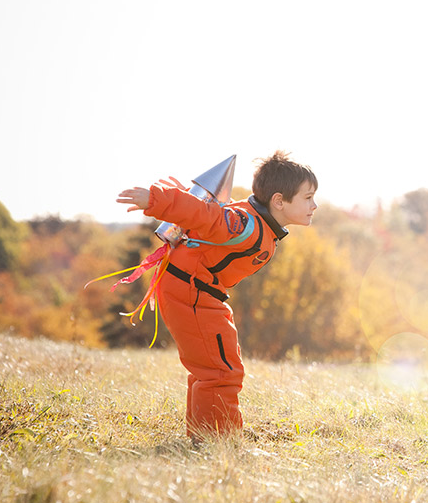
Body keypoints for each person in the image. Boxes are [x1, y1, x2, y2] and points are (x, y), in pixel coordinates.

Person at [116, 151, 317, 442]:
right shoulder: (244, 225)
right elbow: (204, 214)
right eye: (308, 197)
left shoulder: (261, 226)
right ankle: (216, 441)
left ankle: (205, 435)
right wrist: (155, 200)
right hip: (191, 291)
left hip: (200, 291)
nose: (314, 205)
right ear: (279, 201)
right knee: (220, 370)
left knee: (214, 365)